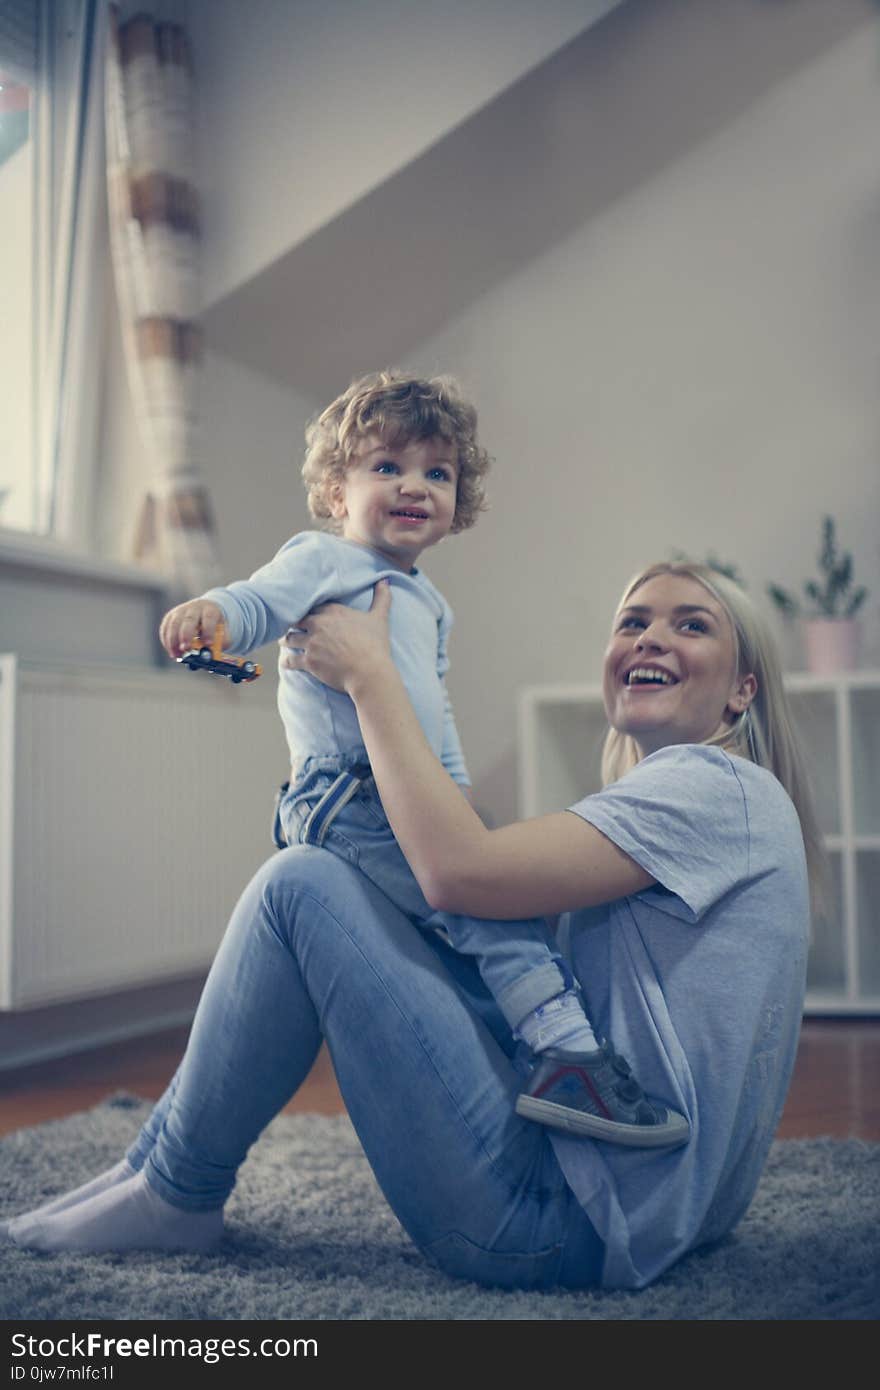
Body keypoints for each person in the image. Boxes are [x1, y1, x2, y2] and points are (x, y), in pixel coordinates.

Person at [1, 560, 818, 1292]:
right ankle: (157, 1174)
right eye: (633, 621)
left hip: (562, 1222)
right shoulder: (709, 799)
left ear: (743, 688)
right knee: (358, 887)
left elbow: (459, 872)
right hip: (643, 1206)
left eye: (692, 623)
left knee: (301, 885)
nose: (652, 636)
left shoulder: (712, 788)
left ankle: (175, 1189)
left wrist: (371, 677)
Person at [157, 369, 684, 1148]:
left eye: (437, 473)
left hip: (405, 787)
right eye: (388, 467)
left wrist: (460, 797)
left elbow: (434, 717)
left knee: (492, 885)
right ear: (338, 492)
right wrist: (214, 616)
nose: (416, 486)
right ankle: (567, 1055)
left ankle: (524, 1051)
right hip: (345, 794)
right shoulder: (323, 559)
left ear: (456, 501)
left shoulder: (431, 604)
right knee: (480, 903)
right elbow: (258, 601)